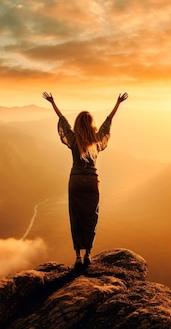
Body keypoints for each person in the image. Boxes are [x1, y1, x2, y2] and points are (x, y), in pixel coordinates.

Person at [42, 91, 128, 268]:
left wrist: (52, 103)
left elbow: (63, 121)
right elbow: (107, 122)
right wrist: (118, 103)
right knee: (91, 217)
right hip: (92, 182)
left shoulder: (74, 140)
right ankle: (88, 253)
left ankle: (77, 257)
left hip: (75, 182)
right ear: (91, 124)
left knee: (76, 217)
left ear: (78, 124)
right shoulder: (96, 140)